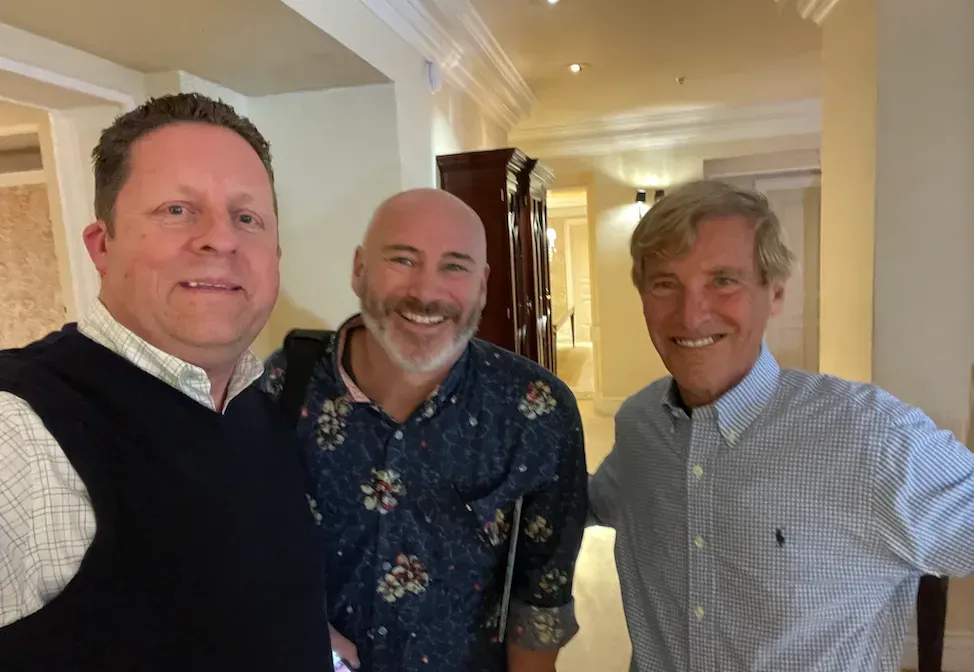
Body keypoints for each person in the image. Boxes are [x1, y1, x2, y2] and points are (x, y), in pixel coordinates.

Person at [0, 93, 332, 670]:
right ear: (102, 247)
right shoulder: (16, 432)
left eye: (246, 217)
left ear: (275, 254)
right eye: (177, 210)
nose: (220, 239)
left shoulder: (258, 402)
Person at [588, 179, 974, 672]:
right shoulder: (641, 425)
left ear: (775, 294)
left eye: (723, 280)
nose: (691, 314)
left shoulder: (872, 438)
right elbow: (593, 501)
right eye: (665, 283)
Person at [259, 188, 588, 672]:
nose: (427, 292)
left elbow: (540, 600)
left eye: (455, 266)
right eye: (402, 259)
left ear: (482, 284)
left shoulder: (537, 410)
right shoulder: (283, 386)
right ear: (358, 269)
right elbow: (249, 545)